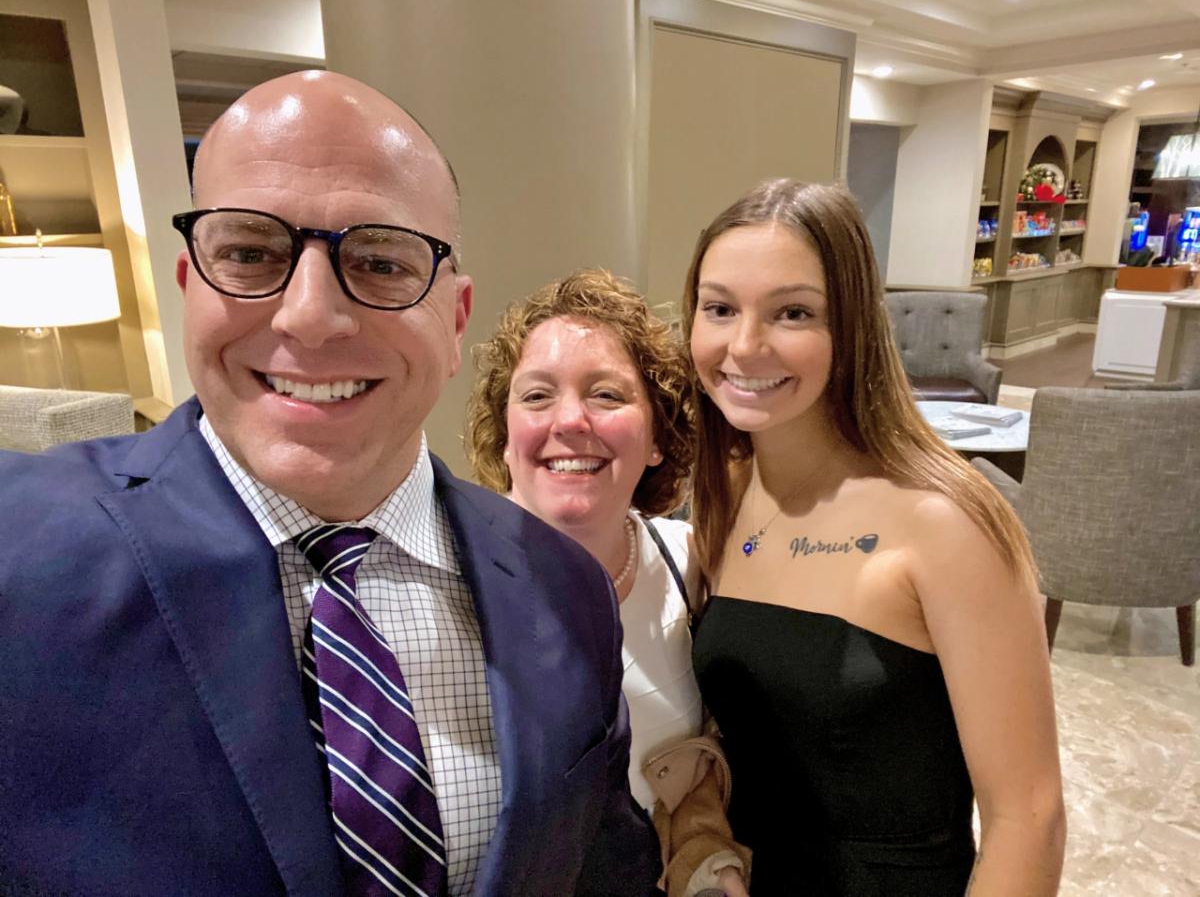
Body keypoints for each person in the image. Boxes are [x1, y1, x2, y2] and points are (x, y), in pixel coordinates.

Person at [0, 72, 659, 897]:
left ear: (454, 322)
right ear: (187, 286)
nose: (308, 315)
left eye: (380, 261)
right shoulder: (17, 557)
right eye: (248, 253)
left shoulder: (565, 588)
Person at [682, 180, 1066, 895]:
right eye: (720, 308)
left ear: (853, 325)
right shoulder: (723, 493)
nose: (745, 345)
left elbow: (1029, 818)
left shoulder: (948, 522)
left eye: (793, 312)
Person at [465, 269, 751, 897]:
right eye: (537, 397)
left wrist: (708, 859)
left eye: (606, 395)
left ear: (655, 437)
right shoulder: (450, 587)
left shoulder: (695, 569)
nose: (570, 420)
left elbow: (697, 765)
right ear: (507, 437)